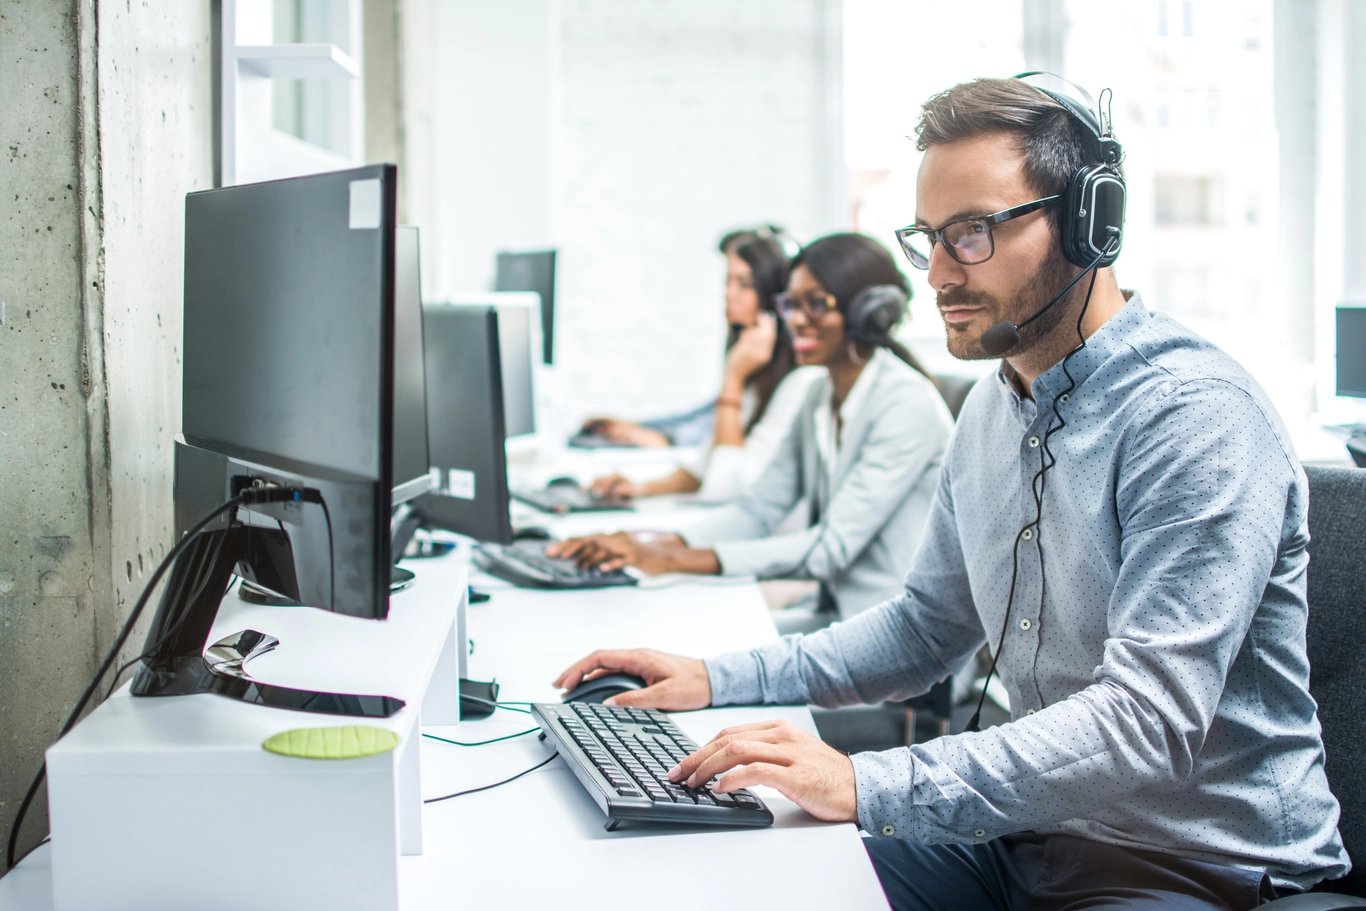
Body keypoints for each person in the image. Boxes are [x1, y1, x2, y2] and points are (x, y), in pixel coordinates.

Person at [553, 75, 1348, 910]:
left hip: (1194, 870)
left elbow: (1144, 723)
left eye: (971, 234)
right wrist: (712, 677)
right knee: (728, 879)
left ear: (1089, 223)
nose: (935, 274)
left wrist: (864, 780)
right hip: (1025, 842)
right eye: (927, 237)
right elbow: (925, 629)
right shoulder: (989, 411)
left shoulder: (1193, 419)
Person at [549, 232, 953, 622]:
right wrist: (646, 545)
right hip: (839, 615)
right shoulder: (818, 393)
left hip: (900, 637)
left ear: (870, 311)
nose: (796, 320)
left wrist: (670, 560)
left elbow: (830, 548)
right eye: (790, 304)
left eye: (815, 303)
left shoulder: (905, 403)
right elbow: (757, 510)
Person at [588, 229, 822, 502]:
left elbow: (724, 487)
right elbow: (704, 467)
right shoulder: (758, 373)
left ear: (774, 297)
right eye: (727, 282)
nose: (728, 294)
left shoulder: (799, 382)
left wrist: (732, 380)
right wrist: (640, 489)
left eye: (743, 285)